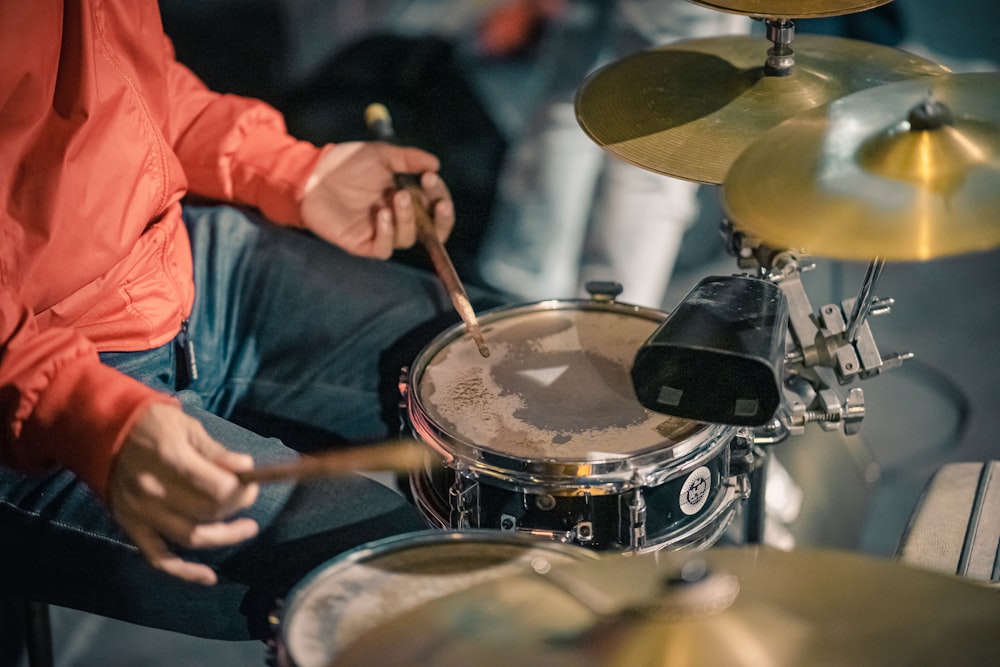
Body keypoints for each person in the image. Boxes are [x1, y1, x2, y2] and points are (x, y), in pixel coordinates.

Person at [0, 0, 501, 642]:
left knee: (508, 366)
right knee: (389, 564)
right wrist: (76, 407)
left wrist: (296, 171)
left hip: (178, 264)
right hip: (34, 376)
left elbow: (123, 90)